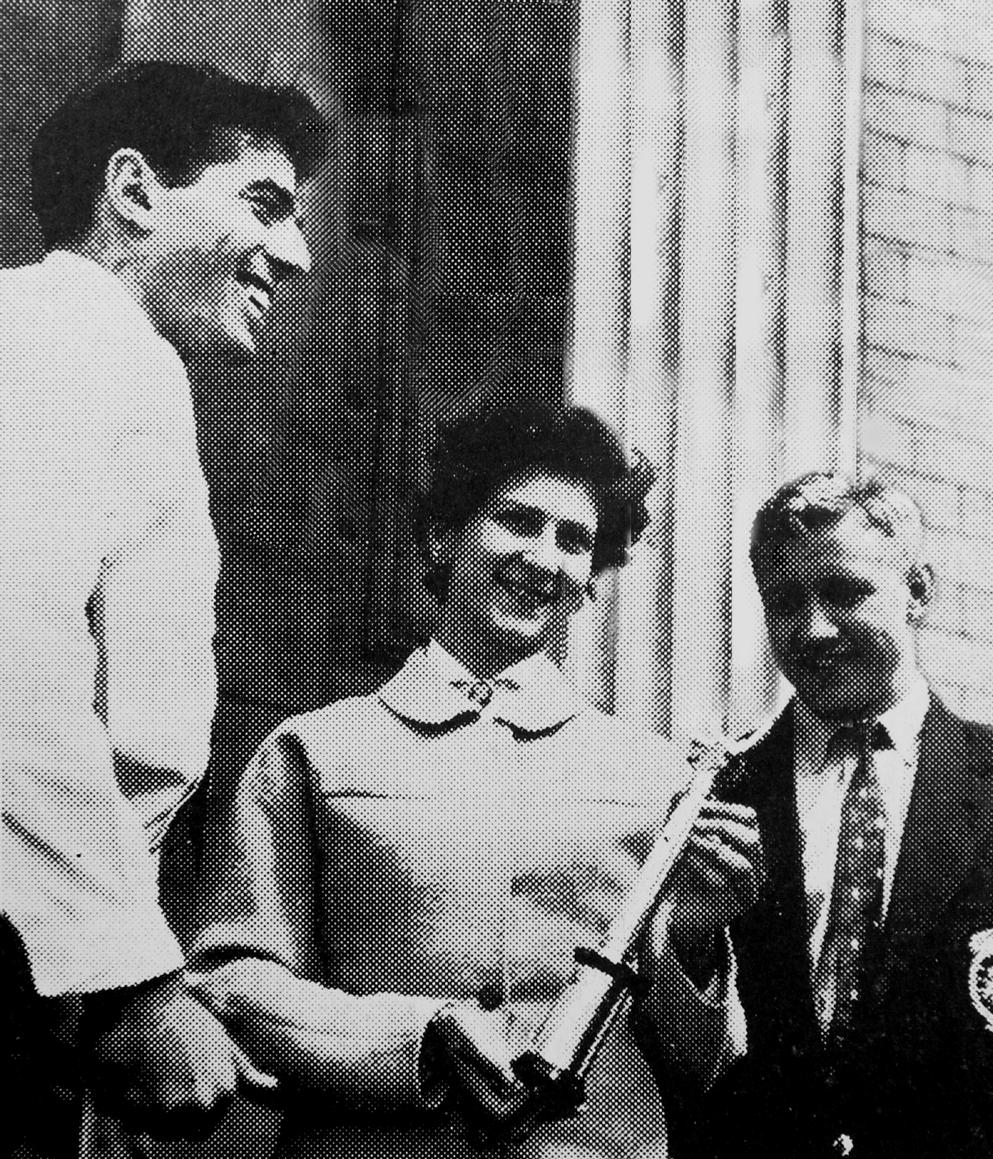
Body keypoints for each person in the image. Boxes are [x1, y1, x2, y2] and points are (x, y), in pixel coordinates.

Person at [187, 401, 762, 1159]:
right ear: (442, 536)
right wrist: (419, 1038)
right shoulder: (313, 751)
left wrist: (693, 940)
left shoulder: (657, 776)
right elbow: (233, 988)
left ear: (591, 579)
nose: (544, 558)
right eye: (518, 521)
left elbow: (706, 1062)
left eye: (574, 541)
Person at [1, 60, 326, 1151]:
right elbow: (9, 659)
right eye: (264, 205)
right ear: (134, 191)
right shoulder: (59, 332)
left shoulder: (106, 353)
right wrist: (132, 985)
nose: (297, 254)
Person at [691, 473, 993, 1159]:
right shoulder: (721, 789)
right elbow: (671, 1044)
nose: (813, 629)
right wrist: (685, 941)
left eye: (844, 591)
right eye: (785, 602)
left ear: (917, 590)